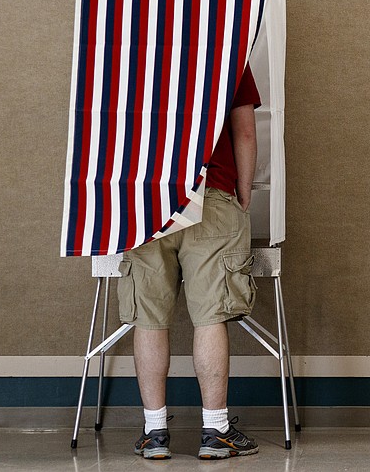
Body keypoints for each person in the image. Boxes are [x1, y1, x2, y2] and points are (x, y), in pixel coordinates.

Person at [117, 66, 261, 460]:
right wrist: (242, 195)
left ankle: (155, 432)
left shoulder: (129, 53)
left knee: (149, 316)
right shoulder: (225, 52)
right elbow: (244, 131)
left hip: (146, 197)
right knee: (210, 315)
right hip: (211, 193)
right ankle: (215, 430)